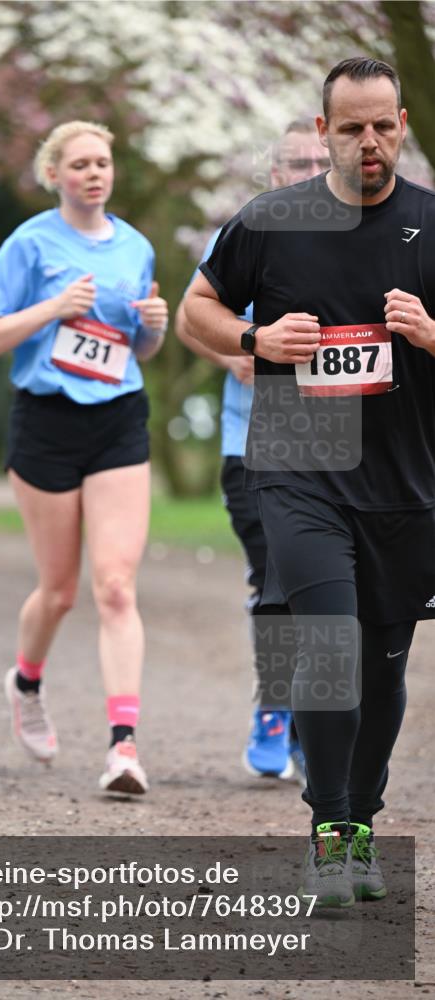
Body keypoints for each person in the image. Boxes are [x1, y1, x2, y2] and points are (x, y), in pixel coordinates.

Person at [183, 58, 434, 905]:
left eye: (382, 125)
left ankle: (361, 813)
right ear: (321, 131)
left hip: (403, 478)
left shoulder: (431, 224)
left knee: (380, 662)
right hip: (298, 464)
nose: (369, 142)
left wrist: (430, 335)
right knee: (326, 644)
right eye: (350, 127)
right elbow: (196, 311)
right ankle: (329, 827)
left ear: (401, 123)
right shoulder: (271, 221)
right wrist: (254, 342)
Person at [0, 121, 168, 794]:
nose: (93, 173)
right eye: (79, 163)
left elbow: (131, 348)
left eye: (102, 163)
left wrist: (153, 332)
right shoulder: (29, 243)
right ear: (54, 174)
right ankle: (25, 682)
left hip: (116, 420)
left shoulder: (135, 246)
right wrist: (51, 307)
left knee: (114, 585)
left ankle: (123, 748)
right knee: (58, 592)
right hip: (46, 422)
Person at [176, 120, 330, 783]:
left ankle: (310, 719)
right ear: (273, 174)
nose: (307, 172)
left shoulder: (365, 238)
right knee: (274, 580)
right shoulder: (243, 233)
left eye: (320, 161)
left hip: (341, 451)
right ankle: (275, 710)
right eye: (296, 162)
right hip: (254, 444)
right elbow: (194, 317)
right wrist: (239, 347)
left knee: (328, 592)